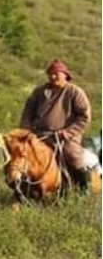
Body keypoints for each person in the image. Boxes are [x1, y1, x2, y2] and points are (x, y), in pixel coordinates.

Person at [19, 58, 92, 191]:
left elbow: (84, 117)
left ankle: (84, 190)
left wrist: (66, 133)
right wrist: (27, 129)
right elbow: (27, 112)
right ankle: (20, 188)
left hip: (65, 136)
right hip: (39, 134)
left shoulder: (75, 92)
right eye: (50, 74)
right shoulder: (39, 91)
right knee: (20, 153)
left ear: (65, 75)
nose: (52, 77)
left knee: (73, 156)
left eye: (56, 74)